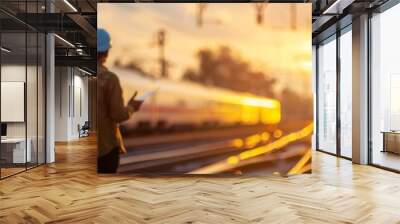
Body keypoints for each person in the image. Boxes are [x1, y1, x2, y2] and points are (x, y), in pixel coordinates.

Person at [97, 28, 143, 173]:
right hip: (106, 148)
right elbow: (117, 114)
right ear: (106, 52)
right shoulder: (109, 79)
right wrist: (131, 107)